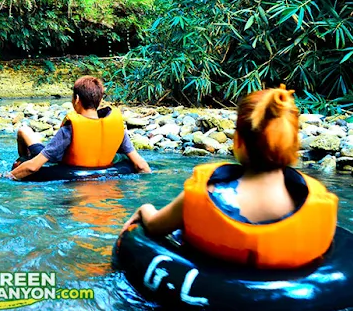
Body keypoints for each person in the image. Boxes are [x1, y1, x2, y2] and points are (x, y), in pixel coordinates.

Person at [121, 85, 338, 269]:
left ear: (238, 141)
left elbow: (155, 226)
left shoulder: (203, 196)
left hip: (206, 288)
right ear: (293, 144)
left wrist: (145, 209)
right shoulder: (318, 204)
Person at [7, 76, 150, 180]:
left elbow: (32, 167)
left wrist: (5, 176)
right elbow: (142, 166)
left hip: (59, 165)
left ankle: (23, 158)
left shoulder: (70, 129)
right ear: (99, 100)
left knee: (23, 131)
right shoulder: (117, 128)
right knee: (24, 132)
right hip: (102, 170)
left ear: (76, 99)